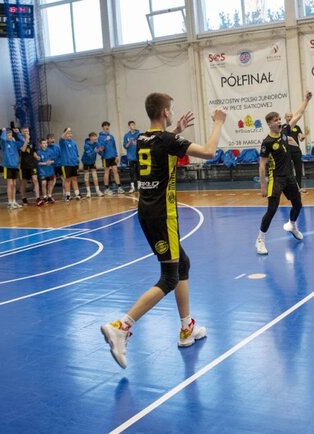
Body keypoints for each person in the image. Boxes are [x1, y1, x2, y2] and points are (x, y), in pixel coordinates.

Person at [100, 92, 226, 369]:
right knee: (169, 278)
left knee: (183, 264)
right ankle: (121, 326)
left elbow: (162, 145)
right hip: (162, 215)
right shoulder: (167, 140)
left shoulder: (142, 139)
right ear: (165, 112)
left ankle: (186, 328)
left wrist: (176, 130)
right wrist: (218, 122)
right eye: (171, 109)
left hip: (147, 211)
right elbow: (209, 152)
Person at [255, 91, 312, 255]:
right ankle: (260, 240)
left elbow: (298, 114)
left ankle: (292, 225)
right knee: (272, 210)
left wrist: (306, 100)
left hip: (289, 177)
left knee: (298, 204)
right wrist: (263, 186)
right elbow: (262, 165)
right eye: (275, 120)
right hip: (276, 179)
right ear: (269, 124)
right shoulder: (267, 142)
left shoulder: (285, 132)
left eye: (279, 119)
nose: (279, 121)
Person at [283, 112, 310, 193]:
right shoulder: (283, 128)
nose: (289, 118)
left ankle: (299, 187)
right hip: (286, 152)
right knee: (287, 170)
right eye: (288, 116)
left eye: (291, 116)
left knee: (298, 170)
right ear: (285, 118)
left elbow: (301, 138)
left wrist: (305, 134)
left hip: (296, 151)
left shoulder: (297, 127)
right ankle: (287, 187)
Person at [1, 127, 25, 209]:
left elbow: (22, 141)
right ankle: (9, 202)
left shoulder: (14, 143)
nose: (9, 136)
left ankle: (14, 201)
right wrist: (4, 132)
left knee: (14, 184)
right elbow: (2, 139)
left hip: (15, 166)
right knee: (10, 184)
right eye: (8, 135)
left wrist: (18, 133)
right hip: (7, 166)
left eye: (10, 135)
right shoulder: (4, 143)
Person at [97, 121, 124, 195]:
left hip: (112, 156)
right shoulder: (100, 138)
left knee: (115, 171)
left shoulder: (111, 136)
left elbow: (114, 146)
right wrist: (106, 140)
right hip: (105, 157)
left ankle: (119, 187)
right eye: (105, 125)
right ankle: (106, 189)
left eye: (108, 126)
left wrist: (116, 155)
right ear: (103, 127)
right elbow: (100, 147)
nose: (107, 127)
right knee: (107, 172)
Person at [18, 127, 40, 205]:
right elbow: (23, 149)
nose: (26, 132)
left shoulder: (31, 141)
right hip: (24, 165)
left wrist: (36, 156)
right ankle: (23, 197)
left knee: (35, 179)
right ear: (22, 132)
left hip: (32, 164)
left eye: (27, 131)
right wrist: (26, 140)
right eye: (25, 131)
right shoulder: (20, 141)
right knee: (24, 182)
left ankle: (37, 198)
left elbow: (33, 151)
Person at [59, 128, 82, 201]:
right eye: (67, 133)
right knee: (67, 180)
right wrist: (66, 130)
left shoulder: (74, 142)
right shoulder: (63, 142)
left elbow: (76, 153)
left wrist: (77, 161)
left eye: (70, 133)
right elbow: (61, 137)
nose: (69, 134)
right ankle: (68, 195)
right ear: (65, 134)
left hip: (74, 164)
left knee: (74, 179)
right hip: (66, 164)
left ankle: (77, 194)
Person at [81, 132, 104, 198]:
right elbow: (89, 155)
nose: (95, 138)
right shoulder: (86, 145)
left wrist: (101, 150)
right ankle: (88, 192)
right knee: (86, 176)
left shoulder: (97, 143)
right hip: (85, 161)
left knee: (95, 176)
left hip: (92, 162)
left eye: (95, 136)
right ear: (90, 137)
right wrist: (95, 151)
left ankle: (98, 191)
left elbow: (101, 154)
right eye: (93, 137)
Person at [36, 138, 55, 206]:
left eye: (46, 143)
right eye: (43, 143)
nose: (45, 144)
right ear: (40, 144)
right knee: (43, 183)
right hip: (43, 171)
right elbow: (38, 163)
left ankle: (49, 196)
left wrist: (51, 162)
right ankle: (44, 197)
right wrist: (45, 163)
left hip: (50, 170)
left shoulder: (50, 151)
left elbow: (53, 160)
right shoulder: (38, 152)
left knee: (50, 183)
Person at [123, 120, 140, 193]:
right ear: (129, 126)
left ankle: (139, 186)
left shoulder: (139, 134)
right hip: (130, 157)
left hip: (138, 156)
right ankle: (132, 187)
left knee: (138, 171)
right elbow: (125, 146)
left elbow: (142, 145)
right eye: (132, 125)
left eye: (134, 124)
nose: (133, 126)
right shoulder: (126, 135)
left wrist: (137, 143)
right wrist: (129, 142)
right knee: (131, 172)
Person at [47, 133, 62, 203]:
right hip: (51, 167)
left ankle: (66, 194)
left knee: (64, 179)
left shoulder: (57, 147)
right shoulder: (46, 148)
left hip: (59, 165)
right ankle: (49, 195)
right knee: (52, 181)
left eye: (53, 138)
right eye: (50, 138)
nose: (52, 140)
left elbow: (60, 155)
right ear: (47, 140)